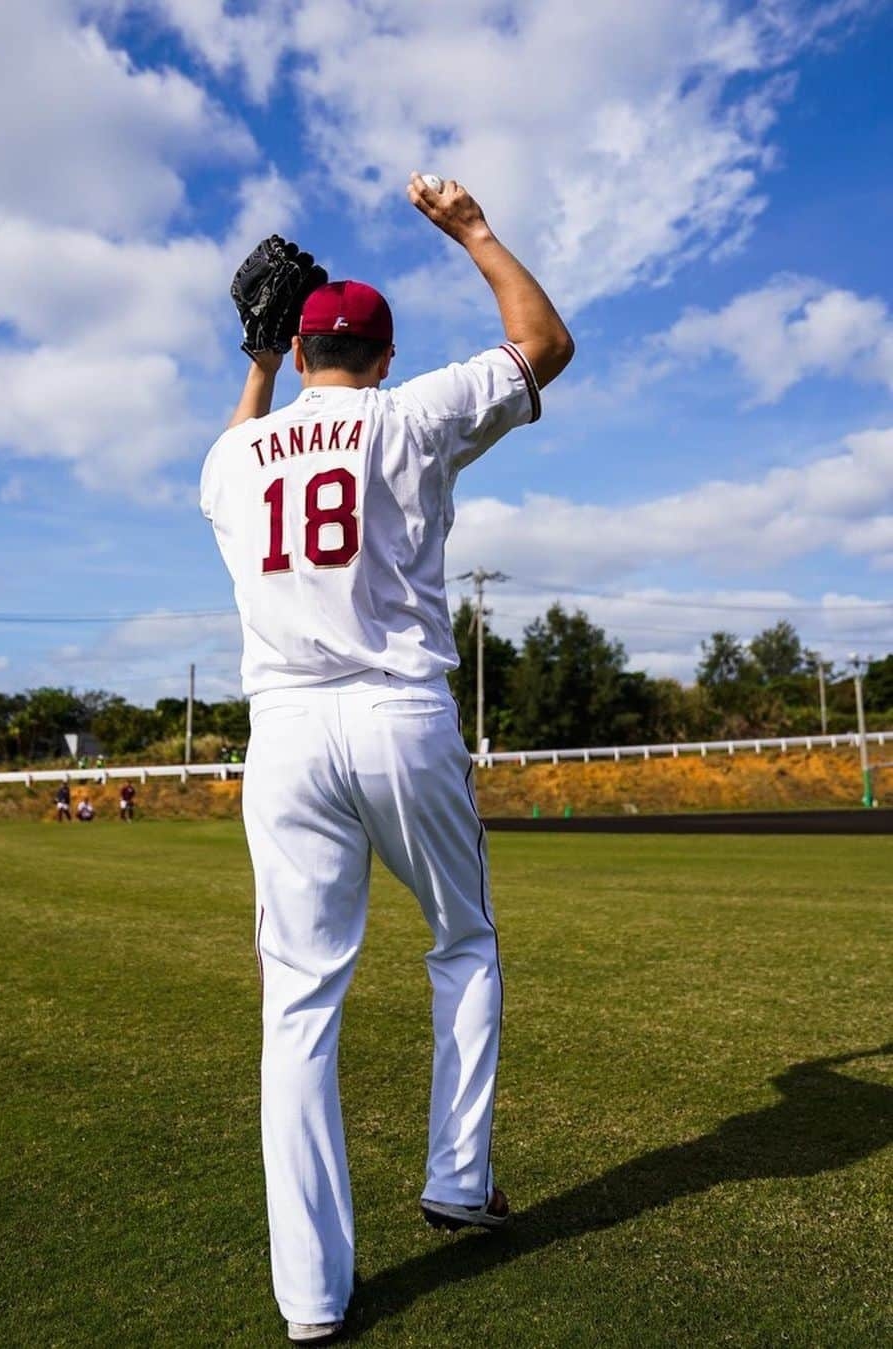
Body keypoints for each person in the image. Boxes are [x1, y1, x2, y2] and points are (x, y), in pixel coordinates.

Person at [199, 175, 574, 1343]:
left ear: (302, 345)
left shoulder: (234, 460)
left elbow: (238, 443)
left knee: (298, 1006)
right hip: (401, 715)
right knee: (461, 938)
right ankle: (458, 1177)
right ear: (384, 347)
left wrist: (257, 357)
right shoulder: (408, 414)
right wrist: (472, 230)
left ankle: (312, 1301)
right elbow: (542, 343)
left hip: (287, 737)